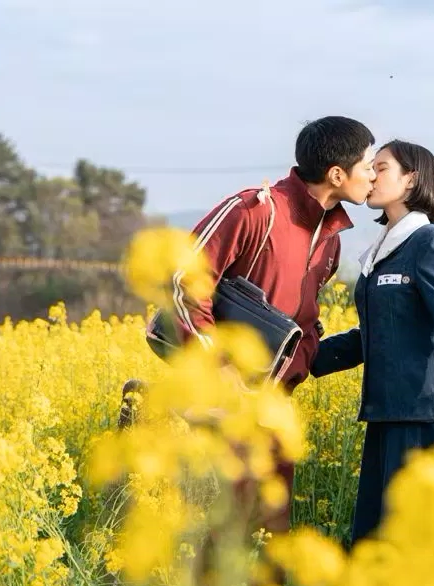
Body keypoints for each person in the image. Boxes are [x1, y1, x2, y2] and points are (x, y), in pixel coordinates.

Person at [121, 115, 377, 541]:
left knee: (268, 530)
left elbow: (304, 316)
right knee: (210, 526)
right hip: (218, 397)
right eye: (368, 164)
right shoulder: (253, 210)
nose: (372, 175)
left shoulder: (331, 241)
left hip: (271, 406)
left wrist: (305, 356)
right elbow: (184, 282)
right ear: (337, 174)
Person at [310, 139, 434, 548]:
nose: (370, 175)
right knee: (379, 542)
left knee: (429, 543)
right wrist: (307, 358)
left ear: (411, 180)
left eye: (381, 168)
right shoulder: (379, 253)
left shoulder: (427, 244)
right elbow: (377, 335)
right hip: (386, 417)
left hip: (426, 416)